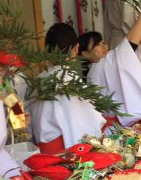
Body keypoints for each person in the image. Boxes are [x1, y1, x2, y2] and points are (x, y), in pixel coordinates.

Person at [79, 0, 141, 125]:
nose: (104, 46)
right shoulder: (98, 69)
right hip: (120, 127)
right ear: (84, 53)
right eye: (97, 44)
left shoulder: (110, 63)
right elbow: (128, 47)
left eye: (103, 42)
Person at [28, 23, 106, 153]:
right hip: (65, 155)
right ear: (76, 48)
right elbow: (90, 129)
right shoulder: (69, 80)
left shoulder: (38, 80)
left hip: (42, 153)